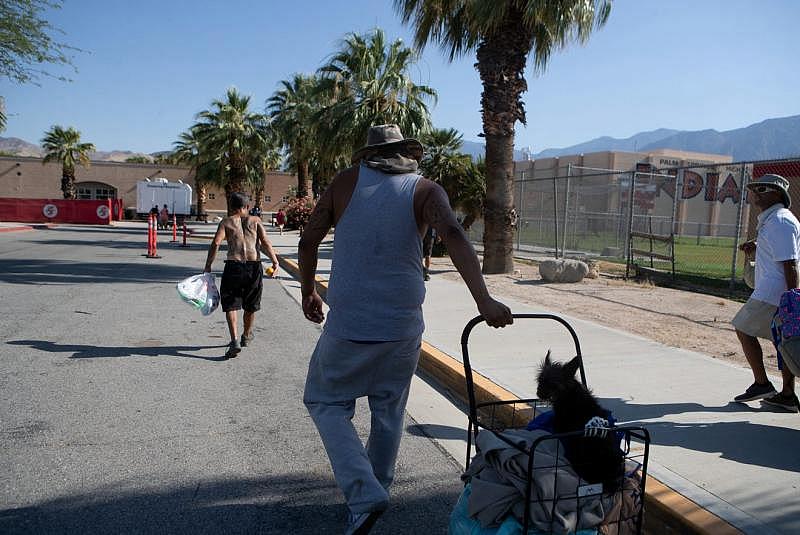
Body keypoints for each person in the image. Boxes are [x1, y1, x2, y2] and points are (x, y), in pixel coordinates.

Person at [298, 124, 513, 534]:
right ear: (407, 153)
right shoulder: (426, 191)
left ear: (367, 155)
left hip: (350, 324)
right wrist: (483, 301)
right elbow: (452, 234)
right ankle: (372, 493)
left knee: (325, 401)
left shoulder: (345, 183)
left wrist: (310, 291)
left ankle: (364, 496)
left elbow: (309, 240)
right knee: (388, 410)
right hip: (401, 327)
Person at [732, 174, 799, 412]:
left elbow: (790, 262)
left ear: (778, 194)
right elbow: (781, 250)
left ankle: (762, 383)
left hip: (774, 292)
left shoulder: (781, 220)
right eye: (753, 188)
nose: (755, 192)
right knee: (784, 341)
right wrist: (757, 246)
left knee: (742, 327)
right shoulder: (773, 220)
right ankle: (788, 395)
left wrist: (793, 301)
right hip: (773, 290)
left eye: (762, 188)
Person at [203, 192, 279, 359]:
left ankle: (234, 340)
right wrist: (274, 261)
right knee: (251, 304)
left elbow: (216, 243)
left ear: (231, 207)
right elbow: (265, 242)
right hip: (253, 266)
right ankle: (246, 335)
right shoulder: (256, 221)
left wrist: (208, 265)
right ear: (247, 207)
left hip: (234, 266)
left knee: (231, 304)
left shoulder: (226, 222)